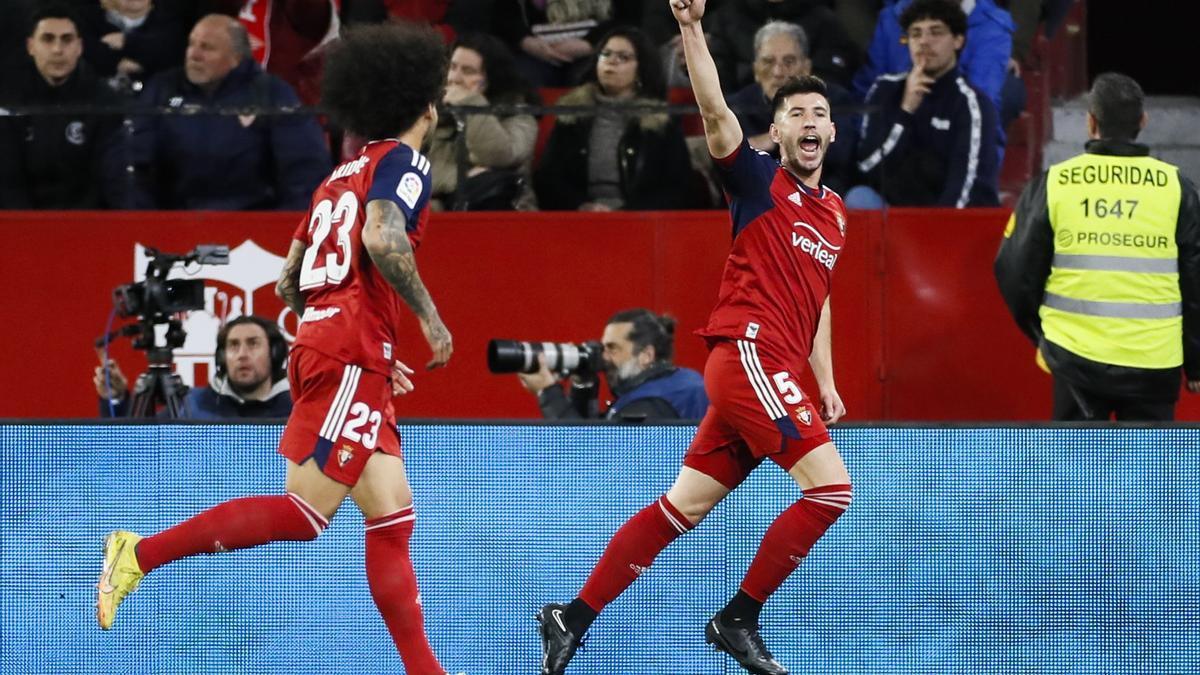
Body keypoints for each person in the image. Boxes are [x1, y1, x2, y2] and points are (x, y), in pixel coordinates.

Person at [95, 23, 460, 675]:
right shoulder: (405, 163)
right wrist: (426, 320)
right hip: (349, 348)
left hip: (336, 343)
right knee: (305, 512)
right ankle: (138, 552)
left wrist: (337, 325)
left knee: (392, 515)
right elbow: (382, 236)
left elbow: (291, 279)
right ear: (426, 106)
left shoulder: (335, 178)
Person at [537, 0, 853, 673]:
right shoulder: (759, 181)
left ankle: (572, 615)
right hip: (748, 355)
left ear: (832, 132)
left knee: (683, 505)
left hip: (776, 371)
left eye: (819, 114)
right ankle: (737, 618)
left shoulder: (835, 214)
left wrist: (824, 378)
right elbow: (714, 114)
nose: (810, 122)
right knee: (829, 490)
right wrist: (689, 29)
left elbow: (820, 300)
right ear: (776, 130)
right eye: (796, 113)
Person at [995, 72, 1200, 421]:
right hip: (1153, 363)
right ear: (1142, 121)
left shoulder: (1055, 183)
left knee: (1076, 472)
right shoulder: (1177, 188)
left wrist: (1045, 337)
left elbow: (1013, 271)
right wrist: (1195, 362)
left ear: (1091, 122)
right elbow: (1195, 282)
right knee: (1150, 473)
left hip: (1075, 361)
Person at [107, 14, 331, 210]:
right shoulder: (162, 90)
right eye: (191, 44)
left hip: (254, 222)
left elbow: (305, 168)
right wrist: (142, 222)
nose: (194, 55)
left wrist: (283, 229)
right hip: (173, 222)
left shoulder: (271, 94)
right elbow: (132, 161)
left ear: (236, 58)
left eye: (207, 47)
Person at [534, 25, 701, 211]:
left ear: (641, 69)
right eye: (605, 54)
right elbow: (548, 180)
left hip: (642, 224)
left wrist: (626, 213)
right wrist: (581, 206)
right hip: (580, 221)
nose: (611, 62)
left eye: (623, 57)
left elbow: (677, 188)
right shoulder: (572, 114)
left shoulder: (661, 121)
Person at [853, 0, 1000, 208]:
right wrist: (905, 112)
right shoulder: (885, 90)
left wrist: (931, 234)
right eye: (915, 34)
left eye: (936, 32)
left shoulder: (972, 104)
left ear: (958, 40)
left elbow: (966, 189)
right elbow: (868, 168)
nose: (924, 41)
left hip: (948, 225)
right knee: (859, 198)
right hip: (894, 219)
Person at [0, 3, 125, 209]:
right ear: (31, 46)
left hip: (84, 224)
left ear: (79, 47)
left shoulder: (104, 100)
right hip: (20, 222)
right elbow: (7, 179)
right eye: (47, 39)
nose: (58, 50)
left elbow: (106, 179)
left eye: (67, 40)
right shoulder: (8, 100)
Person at [725, 20, 860, 195]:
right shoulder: (736, 108)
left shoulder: (834, 100)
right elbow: (728, 165)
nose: (778, 72)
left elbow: (842, 155)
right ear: (756, 70)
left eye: (789, 62)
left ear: (806, 67)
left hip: (823, 200)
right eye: (768, 61)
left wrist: (776, 139)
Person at [517, 308, 709, 420]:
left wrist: (547, 392)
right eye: (603, 348)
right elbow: (591, 433)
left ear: (646, 355)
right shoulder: (680, 381)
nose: (604, 357)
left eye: (612, 348)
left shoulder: (653, 403)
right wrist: (583, 384)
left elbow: (590, 459)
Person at [94, 315, 293, 419]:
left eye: (253, 343)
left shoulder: (298, 409)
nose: (242, 354)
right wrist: (116, 397)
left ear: (274, 353)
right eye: (233, 345)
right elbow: (137, 448)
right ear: (222, 358)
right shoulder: (193, 405)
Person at [428, 32, 540, 211]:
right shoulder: (431, 114)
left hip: (505, 214)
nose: (454, 78)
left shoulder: (519, 116)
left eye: (468, 71)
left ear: (492, 79)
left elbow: (497, 156)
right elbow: (414, 171)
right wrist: (462, 177)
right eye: (453, 67)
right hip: (446, 210)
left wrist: (472, 103)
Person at [79, 0, 185, 91]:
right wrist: (117, 63)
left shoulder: (169, 22)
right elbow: (89, 52)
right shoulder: (90, 19)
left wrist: (126, 41)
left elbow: (167, 51)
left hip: (153, 101)